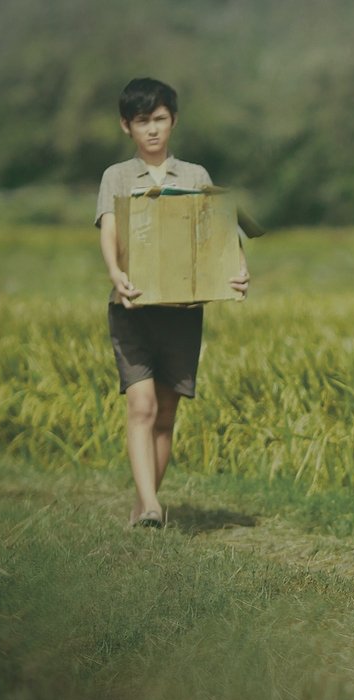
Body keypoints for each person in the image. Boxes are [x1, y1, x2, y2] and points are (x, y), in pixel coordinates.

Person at [95, 77, 249, 529]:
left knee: (165, 414)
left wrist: (239, 269)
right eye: (142, 120)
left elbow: (221, 232)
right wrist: (115, 272)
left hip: (182, 313)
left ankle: (144, 504)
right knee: (141, 406)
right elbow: (109, 229)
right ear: (126, 126)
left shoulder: (196, 176)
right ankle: (151, 507)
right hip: (133, 308)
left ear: (173, 121)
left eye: (160, 119)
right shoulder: (117, 176)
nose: (152, 129)